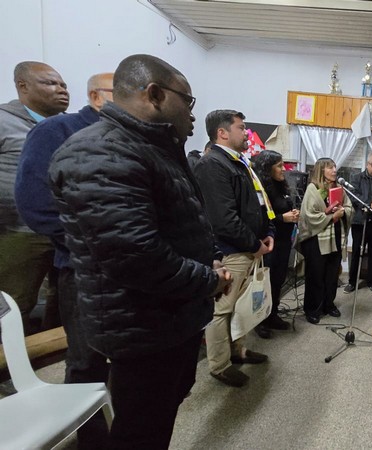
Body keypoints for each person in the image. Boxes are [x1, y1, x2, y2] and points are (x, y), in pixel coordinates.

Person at [48, 54, 232, 449]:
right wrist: (209, 280)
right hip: (141, 322)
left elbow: (184, 223)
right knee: (139, 430)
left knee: (157, 415)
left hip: (170, 316)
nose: (193, 116)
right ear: (154, 94)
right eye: (188, 102)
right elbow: (136, 255)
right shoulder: (100, 153)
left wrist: (209, 256)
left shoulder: (154, 149)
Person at [15, 72, 113, 448]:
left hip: (128, 268)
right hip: (84, 266)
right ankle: (91, 439)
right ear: (98, 97)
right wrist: (97, 243)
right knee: (86, 359)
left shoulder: (130, 139)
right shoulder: (58, 131)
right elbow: (37, 206)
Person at [193, 110, 274, 388]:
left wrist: (268, 233)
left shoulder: (239, 162)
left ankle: (238, 350)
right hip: (230, 250)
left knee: (242, 306)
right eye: (241, 128)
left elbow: (259, 204)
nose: (246, 132)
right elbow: (223, 219)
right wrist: (254, 244)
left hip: (249, 247)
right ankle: (219, 364)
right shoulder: (212, 164)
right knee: (222, 310)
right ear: (222, 133)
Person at [0, 61, 69, 335]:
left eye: (63, 84)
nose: (61, 90)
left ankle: (52, 362)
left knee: (65, 301)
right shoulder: (5, 121)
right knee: (14, 304)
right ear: (22, 86)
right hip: (19, 231)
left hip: (64, 231)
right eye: (51, 83)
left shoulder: (67, 126)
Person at [296, 158, 352, 323]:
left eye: (335, 167)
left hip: (335, 236)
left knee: (332, 274)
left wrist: (343, 211)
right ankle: (313, 308)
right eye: (330, 167)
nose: (334, 170)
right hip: (316, 240)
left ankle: (329, 304)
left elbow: (349, 207)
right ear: (321, 170)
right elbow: (308, 215)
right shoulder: (312, 189)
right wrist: (331, 216)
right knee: (316, 275)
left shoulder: (339, 188)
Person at [251, 150, 297, 337]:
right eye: (279, 165)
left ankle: (273, 314)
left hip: (284, 241)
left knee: (278, 280)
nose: (283, 169)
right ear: (267, 168)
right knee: (265, 283)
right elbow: (263, 217)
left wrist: (292, 214)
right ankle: (259, 321)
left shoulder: (281, 185)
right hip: (269, 242)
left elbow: (284, 207)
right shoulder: (260, 188)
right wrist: (282, 218)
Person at [343, 151, 372, 295]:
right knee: (356, 252)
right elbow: (353, 195)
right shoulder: (356, 178)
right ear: (367, 164)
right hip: (360, 222)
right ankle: (352, 282)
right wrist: (367, 204)